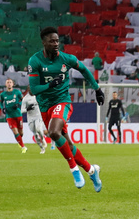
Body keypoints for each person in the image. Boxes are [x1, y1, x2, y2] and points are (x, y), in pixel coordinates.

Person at [28, 26, 104, 191]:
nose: (56, 44)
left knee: (54, 133)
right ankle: (92, 170)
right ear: (44, 43)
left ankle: (74, 170)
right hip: (45, 106)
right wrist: (50, 85)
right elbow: (33, 89)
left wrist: (97, 89)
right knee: (67, 144)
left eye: (57, 41)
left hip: (62, 102)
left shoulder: (66, 59)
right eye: (52, 41)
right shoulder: (35, 61)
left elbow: (84, 70)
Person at [0, 78, 26, 153]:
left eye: (10, 82)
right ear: (5, 84)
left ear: (13, 84)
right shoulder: (3, 94)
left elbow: (23, 100)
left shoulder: (17, 92)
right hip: (9, 116)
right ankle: (23, 147)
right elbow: (0, 102)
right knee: (15, 131)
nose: (9, 84)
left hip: (18, 114)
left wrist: (18, 104)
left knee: (21, 133)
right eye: (7, 82)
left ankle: (20, 142)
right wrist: (2, 108)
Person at [20, 87, 49, 153]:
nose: (31, 90)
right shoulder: (25, 99)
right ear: (28, 89)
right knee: (35, 134)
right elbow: (22, 110)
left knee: (38, 129)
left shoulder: (39, 96)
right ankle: (42, 148)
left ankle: (43, 139)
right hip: (30, 118)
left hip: (38, 116)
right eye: (30, 89)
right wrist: (28, 108)